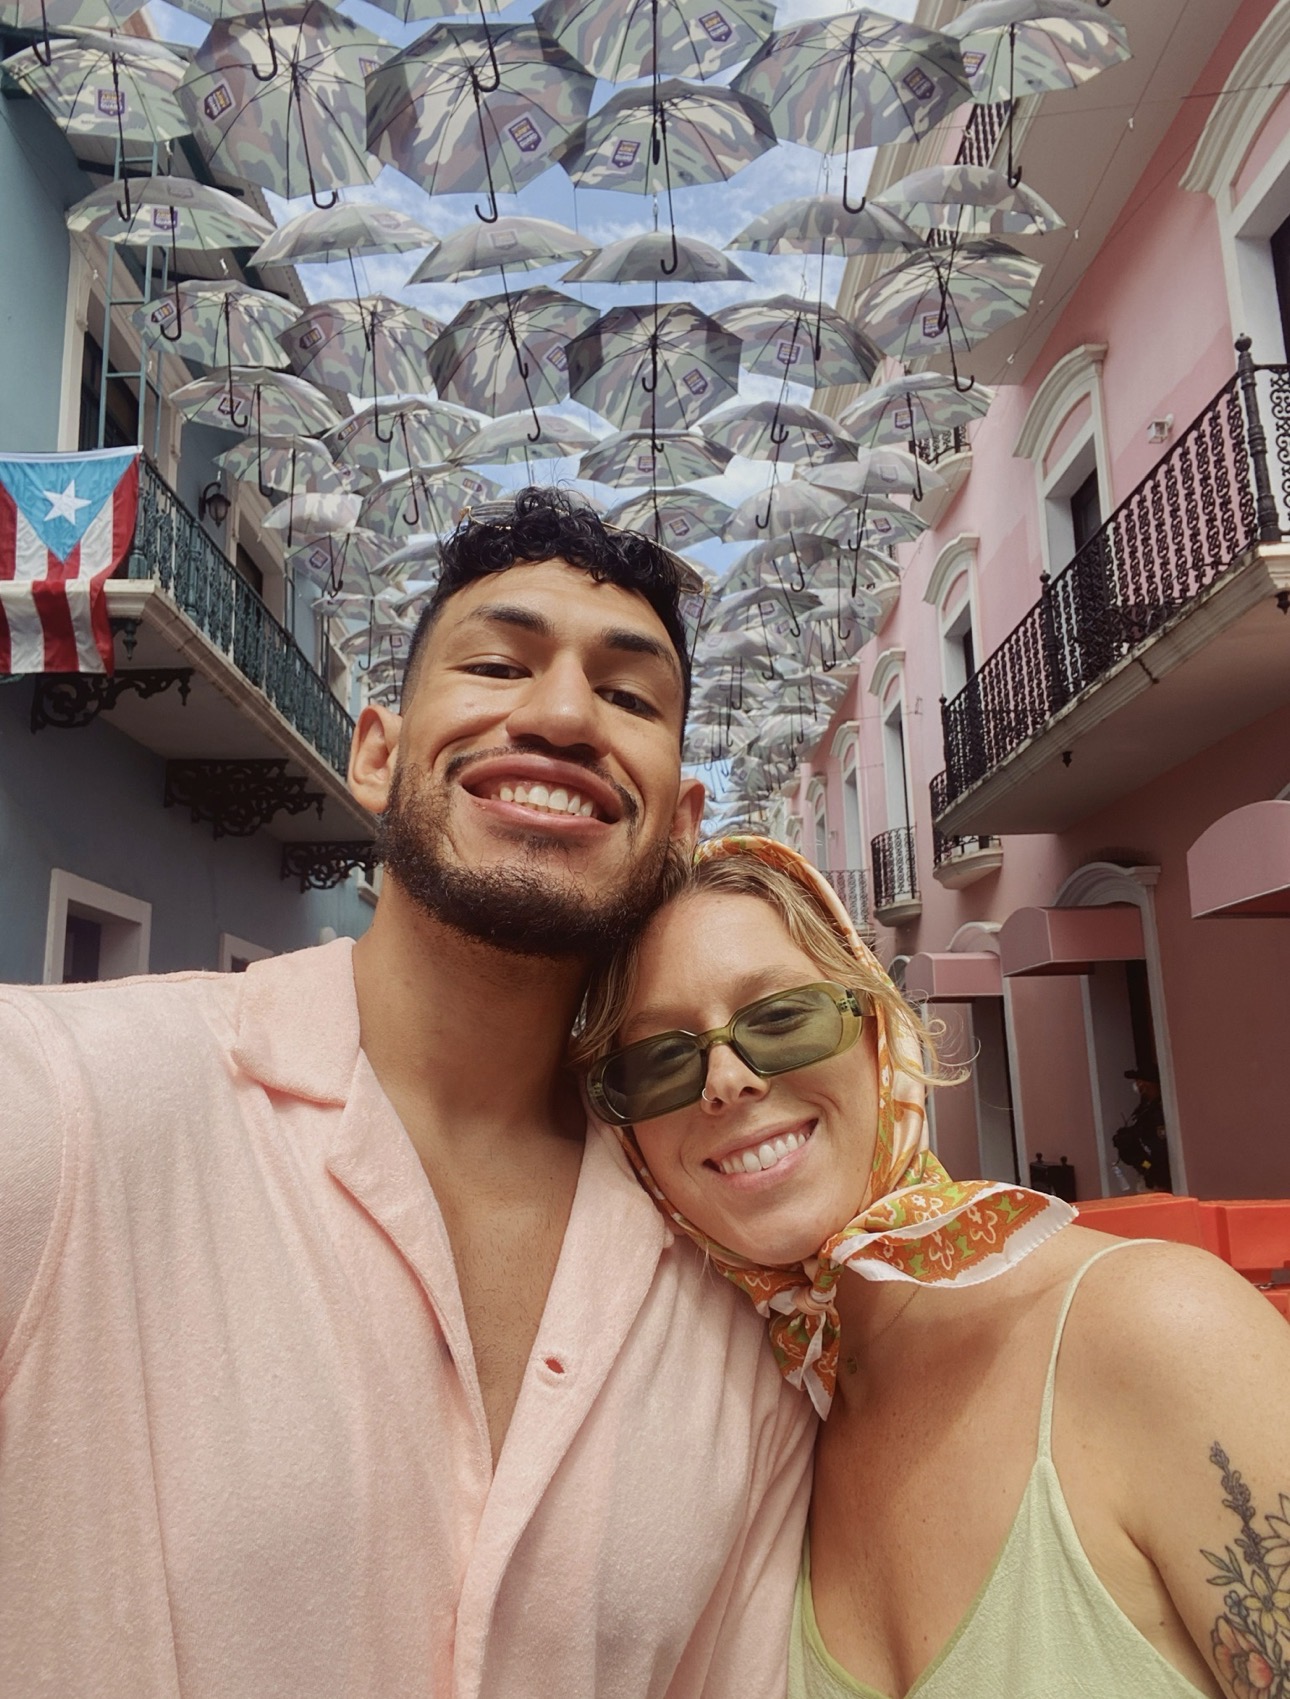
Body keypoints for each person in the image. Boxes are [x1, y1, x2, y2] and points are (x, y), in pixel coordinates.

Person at [0, 494, 814, 1699]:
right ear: (376, 754)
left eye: (630, 697)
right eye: (497, 664)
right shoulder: (61, 1104)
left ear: (679, 823)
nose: (561, 716)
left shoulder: (737, 1288)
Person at [576, 835, 1290, 1699]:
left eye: (783, 1017)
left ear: (879, 1030)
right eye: (659, 1061)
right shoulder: (769, 1444)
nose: (725, 1080)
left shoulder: (1161, 1329)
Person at [1114, 1065, 1173, 1192]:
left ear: (1147, 1083)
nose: (1137, 1085)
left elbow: (1158, 1146)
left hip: (1157, 1174)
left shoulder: (1159, 1110)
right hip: (1146, 1169)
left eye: (1139, 1081)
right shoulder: (1143, 1108)